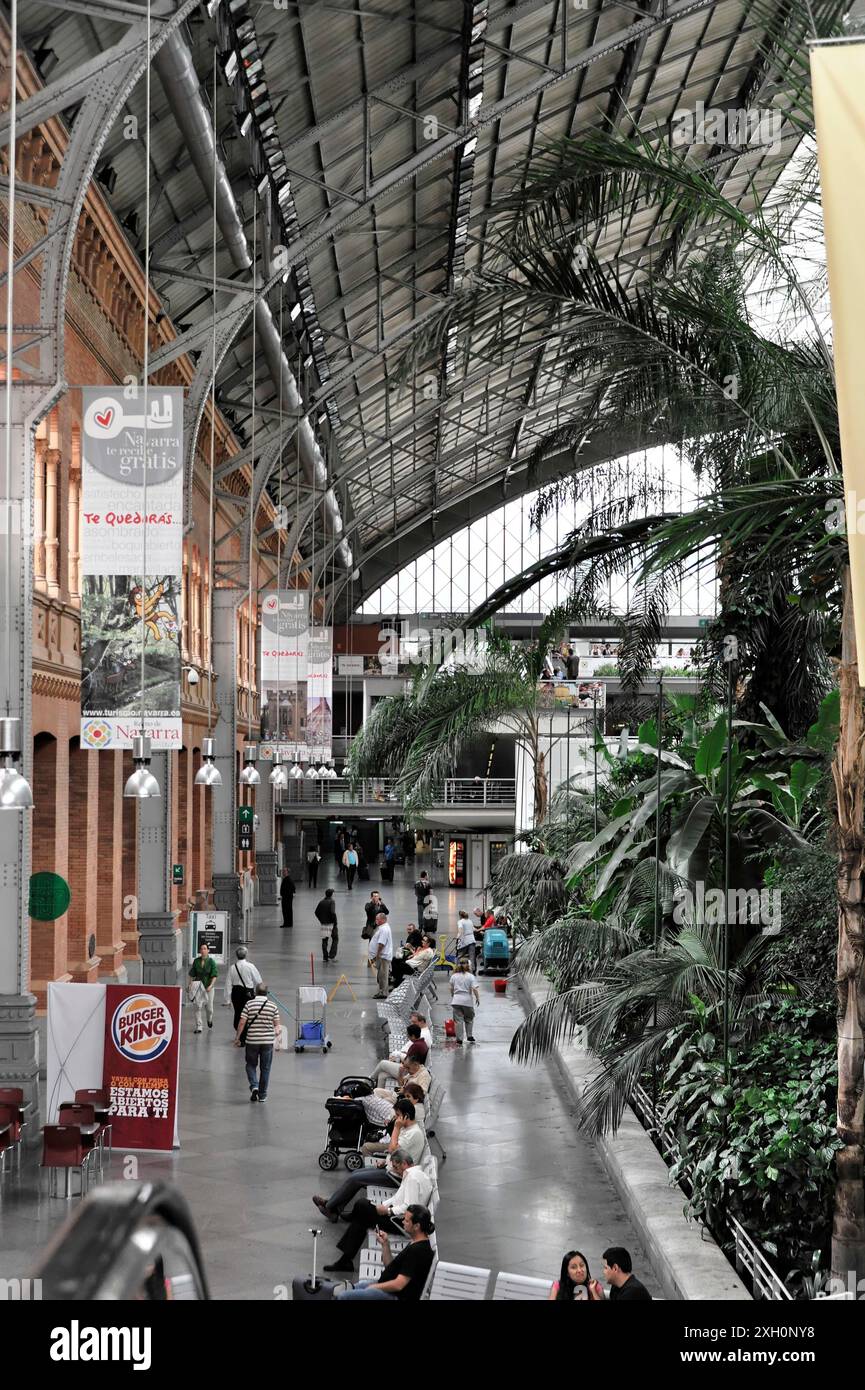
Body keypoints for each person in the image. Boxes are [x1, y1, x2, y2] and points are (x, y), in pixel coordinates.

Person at [313, 1098, 425, 1219]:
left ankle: (330, 1207)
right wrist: (385, 1160)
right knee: (356, 1174)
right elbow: (398, 1153)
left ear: (406, 1116)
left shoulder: (413, 1133)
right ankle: (335, 1208)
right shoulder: (408, 1129)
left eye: (398, 1115)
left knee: (356, 1178)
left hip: (396, 1177)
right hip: (391, 1168)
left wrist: (396, 1128)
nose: (396, 1118)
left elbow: (393, 1149)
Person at [323, 1151, 433, 1273]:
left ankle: (345, 1260)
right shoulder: (414, 1174)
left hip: (402, 1223)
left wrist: (388, 1211)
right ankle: (345, 1260)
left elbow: (410, 1207)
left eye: (396, 1167)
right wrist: (382, 1206)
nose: (395, 1171)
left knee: (362, 1206)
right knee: (362, 1213)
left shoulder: (412, 1178)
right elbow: (398, 1197)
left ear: (404, 1163)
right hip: (403, 1219)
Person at [334, 1205, 436, 1301]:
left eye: (406, 1220)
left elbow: (399, 1285)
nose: (403, 1221)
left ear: (416, 1226)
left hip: (394, 1296)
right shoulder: (416, 1243)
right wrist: (385, 1244)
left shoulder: (418, 1251)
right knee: (344, 1290)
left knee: (344, 1296)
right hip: (386, 1286)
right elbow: (390, 1267)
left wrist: (374, 1287)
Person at [234, 983, 281, 1103]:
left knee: (250, 1065)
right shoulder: (272, 1006)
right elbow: (277, 1026)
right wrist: (278, 1042)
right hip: (267, 1042)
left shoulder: (249, 1004)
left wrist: (238, 1037)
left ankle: (254, 1086)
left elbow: (242, 1022)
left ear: (255, 992)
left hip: (252, 1041)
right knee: (265, 1068)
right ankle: (263, 1094)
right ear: (267, 993)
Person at [373, 1023, 428, 1087]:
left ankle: (369, 1080)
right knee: (382, 1075)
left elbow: (406, 1062)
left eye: (408, 1035)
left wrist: (396, 1059)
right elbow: (410, 1059)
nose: (407, 1036)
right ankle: (377, 1095)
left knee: (382, 1063)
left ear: (412, 1036)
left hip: (407, 1072)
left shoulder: (416, 1046)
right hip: (411, 1069)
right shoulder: (422, 1043)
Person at [226, 945, 262, 1029]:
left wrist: (228, 999)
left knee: (238, 1012)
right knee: (248, 1013)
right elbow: (258, 981)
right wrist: (260, 994)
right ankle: (246, 1031)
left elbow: (228, 984)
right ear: (246, 955)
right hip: (248, 993)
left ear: (236, 955)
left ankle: (238, 1032)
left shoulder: (232, 968)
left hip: (236, 993)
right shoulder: (250, 966)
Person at [187, 941, 218, 1033]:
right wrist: (190, 984)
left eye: (205, 949)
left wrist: (211, 985)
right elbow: (191, 974)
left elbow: (214, 976)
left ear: (208, 950)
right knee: (197, 1007)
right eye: (201, 949)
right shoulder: (196, 961)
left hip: (208, 988)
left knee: (209, 1009)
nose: (203, 950)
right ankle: (199, 1026)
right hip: (198, 988)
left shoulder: (211, 962)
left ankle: (209, 1019)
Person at [449, 958, 480, 1043]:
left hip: (456, 1000)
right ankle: (469, 1036)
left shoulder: (454, 976)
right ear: (468, 966)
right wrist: (477, 998)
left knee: (458, 1020)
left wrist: (453, 995)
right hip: (467, 1001)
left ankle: (459, 1039)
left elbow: (451, 988)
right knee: (469, 1018)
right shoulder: (471, 976)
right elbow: (474, 988)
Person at [368, 910, 393, 998]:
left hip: (383, 956)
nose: (376, 921)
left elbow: (381, 944)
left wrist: (377, 955)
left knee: (383, 976)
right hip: (382, 956)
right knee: (381, 975)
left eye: (377, 919)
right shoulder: (383, 927)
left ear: (383, 920)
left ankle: (383, 993)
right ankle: (382, 991)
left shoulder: (384, 929)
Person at [315, 888, 338, 964]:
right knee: (335, 938)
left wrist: (321, 920)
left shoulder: (321, 902)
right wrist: (335, 922)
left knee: (324, 940)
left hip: (324, 924)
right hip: (331, 924)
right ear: (331, 894)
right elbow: (332, 912)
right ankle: (332, 955)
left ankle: (325, 957)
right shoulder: (332, 902)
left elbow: (316, 912)